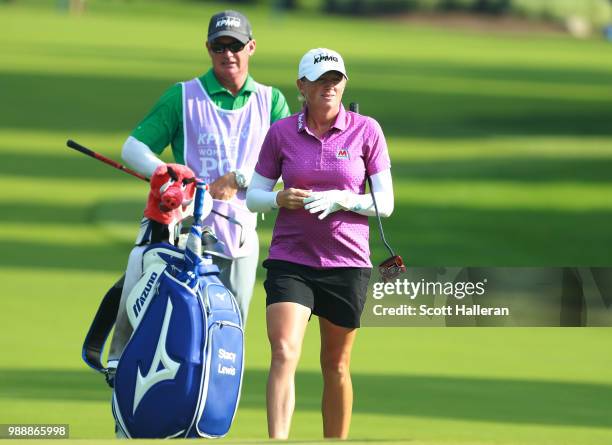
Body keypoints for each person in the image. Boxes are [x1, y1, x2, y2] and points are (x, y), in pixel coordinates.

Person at [106, 10, 290, 368]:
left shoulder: (271, 102)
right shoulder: (182, 97)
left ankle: (207, 409)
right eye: (219, 46)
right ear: (208, 48)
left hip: (240, 235)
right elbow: (133, 147)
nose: (228, 54)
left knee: (226, 334)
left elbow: (292, 168)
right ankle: (120, 364)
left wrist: (239, 178)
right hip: (184, 230)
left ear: (251, 47)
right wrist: (167, 173)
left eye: (235, 45)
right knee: (169, 326)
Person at [246, 48, 394, 439]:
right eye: (320, 81)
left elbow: (386, 203)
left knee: (336, 365)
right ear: (302, 86)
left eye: (335, 80)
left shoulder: (367, 130)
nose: (329, 88)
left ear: (344, 84)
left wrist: (342, 198)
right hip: (291, 259)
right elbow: (254, 196)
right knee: (283, 351)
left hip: (347, 262)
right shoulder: (281, 133)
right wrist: (279, 198)